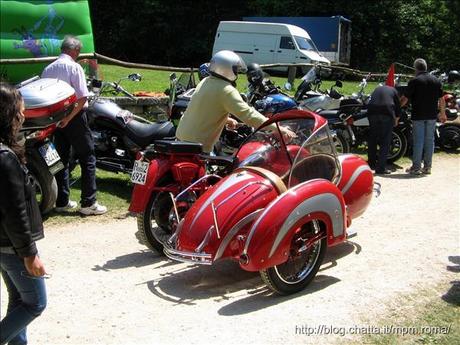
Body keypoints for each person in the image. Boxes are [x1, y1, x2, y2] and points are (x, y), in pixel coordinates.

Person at [176, 50, 296, 154]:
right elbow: (249, 115)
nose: (237, 73)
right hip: (198, 145)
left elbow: (203, 108)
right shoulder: (226, 90)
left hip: (182, 136)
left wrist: (226, 119)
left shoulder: (206, 81)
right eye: (236, 70)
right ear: (228, 69)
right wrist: (278, 128)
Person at [0, 83, 47, 345]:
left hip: (5, 244)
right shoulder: (5, 158)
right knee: (36, 303)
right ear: (9, 114)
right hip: (12, 246)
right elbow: (14, 212)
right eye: (21, 110)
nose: (23, 115)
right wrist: (30, 254)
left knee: (19, 300)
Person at [42, 35, 107, 215]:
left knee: (59, 160)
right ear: (75, 51)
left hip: (56, 118)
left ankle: (62, 201)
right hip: (75, 117)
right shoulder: (74, 67)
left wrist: (60, 120)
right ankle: (88, 202)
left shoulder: (48, 69)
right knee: (88, 157)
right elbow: (82, 97)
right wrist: (69, 118)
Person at [400, 58, 447, 175]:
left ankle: (416, 167)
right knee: (430, 141)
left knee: (418, 141)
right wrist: (442, 113)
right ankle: (427, 167)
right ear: (425, 67)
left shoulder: (414, 81)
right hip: (431, 115)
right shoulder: (436, 81)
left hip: (418, 115)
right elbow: (442, 99)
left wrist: (397, 107)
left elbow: (404, 99)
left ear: (416, 68)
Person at [366, 84, 402, 174]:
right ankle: (381, 168)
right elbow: (398, 106)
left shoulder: (377, 88)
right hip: (387, 112)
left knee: (372, 139)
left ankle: (371, 163)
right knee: (385, 141)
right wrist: (397, 119)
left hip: (372, 111)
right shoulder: (394, 91)